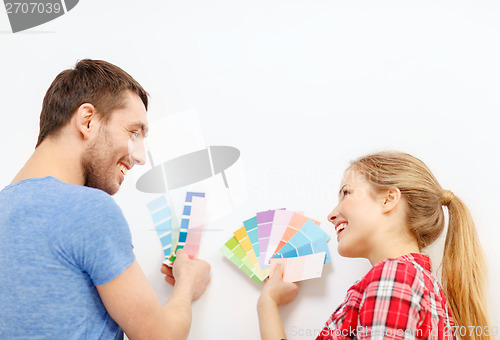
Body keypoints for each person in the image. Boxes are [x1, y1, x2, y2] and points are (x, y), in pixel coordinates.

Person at [0, 59, 211, 340]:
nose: (139, 156)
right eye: (134, 132)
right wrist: (187, 286)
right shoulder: (86, 210)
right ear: (87, 120)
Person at [258, 151, 492, 340]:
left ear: (389, 199)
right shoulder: (414, 282)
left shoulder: (394, 277)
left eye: (346, 193)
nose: (331, 214)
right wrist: (267, 304)